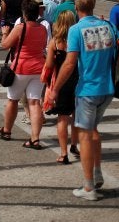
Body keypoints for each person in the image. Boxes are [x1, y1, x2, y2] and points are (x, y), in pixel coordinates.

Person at [46, 0, 119, 201]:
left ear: (76, 8)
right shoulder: (109, 26)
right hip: (107, 88)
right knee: (93, 130)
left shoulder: (76, 30)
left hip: (87, 89)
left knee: (85, 135)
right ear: (93, 6)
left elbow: (69, 63)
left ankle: (88, 188)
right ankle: (96, 172)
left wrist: (55, 89)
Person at [0, 0, 48, 149]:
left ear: (24, 14)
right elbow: (43, 46)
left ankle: (7, 131)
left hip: (21, 68)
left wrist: (4, 33)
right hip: (38, 68)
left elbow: (5, 45)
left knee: (13, 100)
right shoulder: (42, 29)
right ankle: (35, 138)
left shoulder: (20, 27)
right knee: (35, 102)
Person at [42, 10, 80, 164]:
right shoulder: (77, 40)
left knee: (62, 118)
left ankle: (63, 153)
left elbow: (50, 65)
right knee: (76, 117)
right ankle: (74, 145)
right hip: (78, 81)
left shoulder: (55, 42)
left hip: (61, 83)